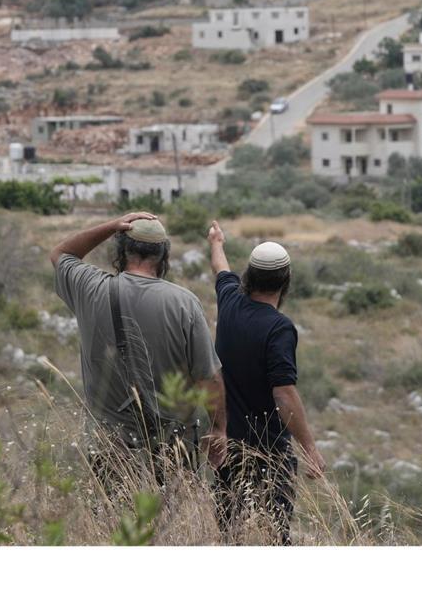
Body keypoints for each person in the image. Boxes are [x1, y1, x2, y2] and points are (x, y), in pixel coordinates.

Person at [50, 212, 227, 483]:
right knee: (176, 521)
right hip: (173, 446)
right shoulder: (184, 304)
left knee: (114, 520)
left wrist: (112, 225)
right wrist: (218, 428)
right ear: (163, 256)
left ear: (122, 250)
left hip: (110, 446)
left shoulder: (91, 289)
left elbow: (62, 253)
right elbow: (209, 378)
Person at [207, 219, 325, 545]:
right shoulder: (279, 328)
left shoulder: (229, 302)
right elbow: (284, 394)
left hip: (227, 447)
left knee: (230, 535)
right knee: (275, 537)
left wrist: (216, 241)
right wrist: (310, 449)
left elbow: (220, 268)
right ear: (285, 281)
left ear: (248, 275)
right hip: (268, 454)